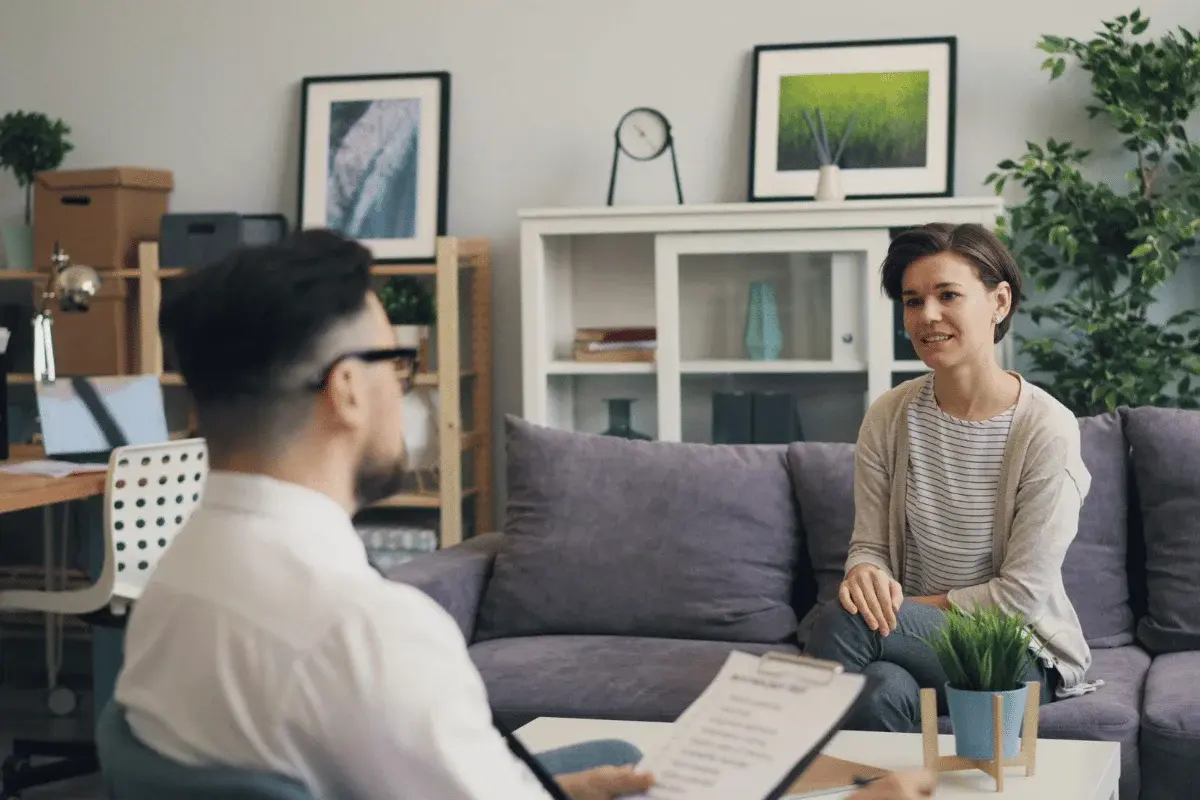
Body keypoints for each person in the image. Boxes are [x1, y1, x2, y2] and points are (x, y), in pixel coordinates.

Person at [108, 229, 933, 800]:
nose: (409, 386)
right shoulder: (365, 629)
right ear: (347, 388)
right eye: (399, 360)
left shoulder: (173, 584)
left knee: (610, 765)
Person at [804, 222, 1100, 733]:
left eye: (948, 295)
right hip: (911, 644)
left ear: (999, 301)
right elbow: (869, 544)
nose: (928, 316)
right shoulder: (890, 415)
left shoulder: (1046, 428)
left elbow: (1018, 597)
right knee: (878, 692)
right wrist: (865, 577)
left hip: (1015, 654)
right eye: (912, 300)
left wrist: (882, 613)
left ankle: (779, 771)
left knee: (841, 622)